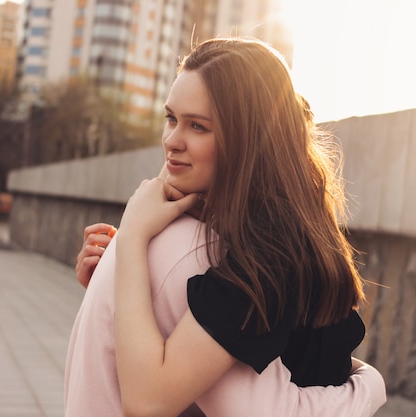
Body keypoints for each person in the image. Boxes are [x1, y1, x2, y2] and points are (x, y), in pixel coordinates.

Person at [65, 37, 384, 417]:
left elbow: (149, 402)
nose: (171, 141)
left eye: (197, 126)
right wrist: (127, 280)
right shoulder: (219, 225)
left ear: (247, 139)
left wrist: (369, 387)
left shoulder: (269, 248)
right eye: (171, 118)